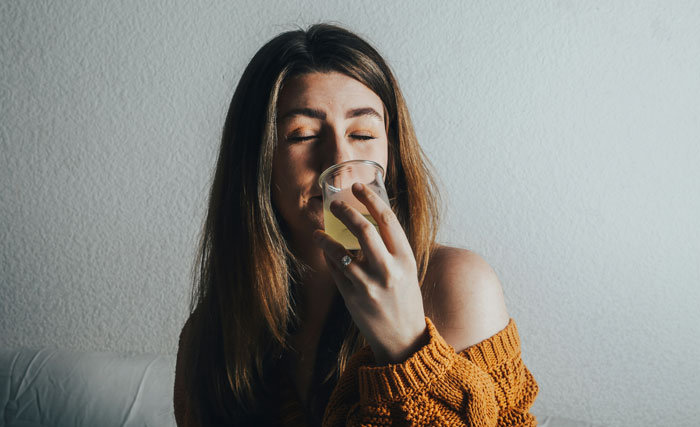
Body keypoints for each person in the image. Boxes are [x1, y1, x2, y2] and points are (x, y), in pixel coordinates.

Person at [173, 23, 538, 427]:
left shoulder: (455, 286)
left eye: (362, 133)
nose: (339, 161)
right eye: (303, 135)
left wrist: (407, 347)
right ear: (256, 164)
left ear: (392, 156)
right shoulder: (208, 339)